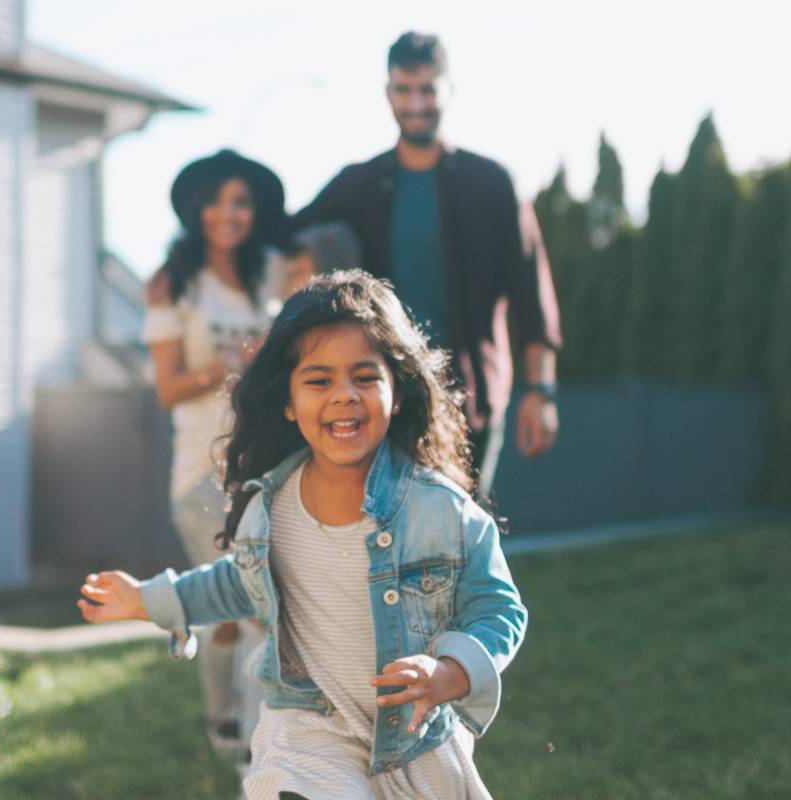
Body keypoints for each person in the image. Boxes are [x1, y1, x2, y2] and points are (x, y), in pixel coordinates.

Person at [81, 271, 527, 798]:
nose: (343, 396)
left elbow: (499, 609)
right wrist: (149, 599)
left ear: (398, 393)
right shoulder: (272, 507)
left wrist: (450, 671)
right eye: (319, 381)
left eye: (365, 377)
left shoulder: (443, 511)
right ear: (289, 402)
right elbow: (237, 582)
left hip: (414, 741)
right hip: (310, 729)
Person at [290, 31, 565, 499]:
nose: (416, 103)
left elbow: (530, 293)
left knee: (463, 538)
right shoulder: (359, 184)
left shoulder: (492, 184)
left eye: (428, 89)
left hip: (470, 396)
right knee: (385, 540)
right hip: (383, 398)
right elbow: (284, 237)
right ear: (388, 93)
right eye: (404, 90)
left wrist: (542, 393)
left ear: (448, 90)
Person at [143, 148, 293, 763]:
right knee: (235, 610)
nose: (228, 214)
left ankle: (260, 748)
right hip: (200, 473)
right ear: (196, 209)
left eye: (241, 202)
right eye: (216, 201)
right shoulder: (171, 284)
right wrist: (233, 363)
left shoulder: (272, 273)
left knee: (268, 608)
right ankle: (226, 724)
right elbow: (168, 386)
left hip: (265, 467)